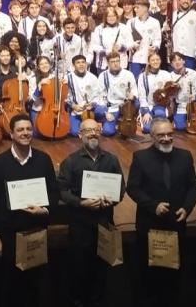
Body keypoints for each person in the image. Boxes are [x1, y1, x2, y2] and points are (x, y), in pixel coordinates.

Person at [0, 113, 59, 307]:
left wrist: (44, 209)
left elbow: (53, 192)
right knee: (11, 287)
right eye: (20, 130)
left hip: (37, 232)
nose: (25, 133)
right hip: (9, 235)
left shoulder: (44, 159)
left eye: (28, 129)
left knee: (37, 286)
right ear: (11, 134)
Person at [127, 117, 196, 307]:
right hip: (150, 227)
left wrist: (187, 208)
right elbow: (133, 188)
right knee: (148, 278)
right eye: (161, 135)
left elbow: (193, 186)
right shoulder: (140, 158)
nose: (166, 138)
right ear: (152, 136)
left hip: (176, 225)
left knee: (174, 278)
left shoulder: (185, 156)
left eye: (169, 134)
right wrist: (153, 206)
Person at [57, 118, 124, 307]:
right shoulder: (71, 162)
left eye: (96, 130)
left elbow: (121, 188)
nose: (93, 133)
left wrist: (114, 199)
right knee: (79, 270)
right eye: (88, 130)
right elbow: (62, 191)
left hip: (105, 223)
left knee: (102, 270)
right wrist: (81, 203)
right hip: (80, 225)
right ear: (80, 135)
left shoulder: (111, 159)